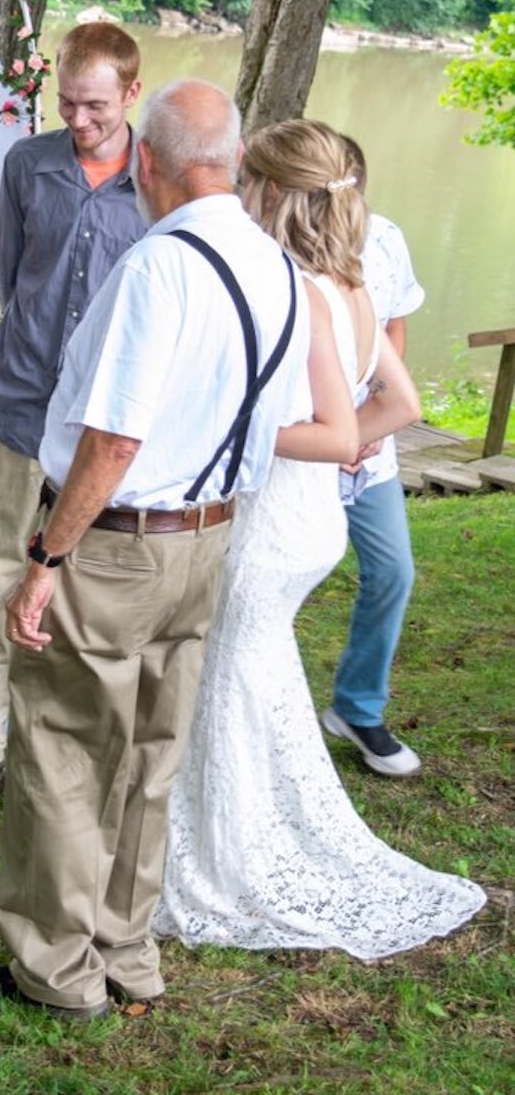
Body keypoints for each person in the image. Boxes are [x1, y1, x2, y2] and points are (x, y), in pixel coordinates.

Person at [0, 80, 314, 1020]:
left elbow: (114, 440)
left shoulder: (159, 268)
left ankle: (56, 972)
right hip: (207, 539)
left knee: (66, 750)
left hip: (119, 546)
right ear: (231, 161)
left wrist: (46, 558)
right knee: (153, 753)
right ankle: (126, 948)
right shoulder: (279, 267)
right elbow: (276, 418)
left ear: (147, 162)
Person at [153, 119, 486, 958]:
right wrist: (333, 445)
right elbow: (401, 406)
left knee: (227, 678)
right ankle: (240, 826)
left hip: (268, 526)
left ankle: (227, 859)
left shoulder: (292, 289)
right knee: (255, 673)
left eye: (246, 183)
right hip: (315, 520)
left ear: (269, 191)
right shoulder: (355, 285)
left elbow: (331, 430)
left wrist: (225, 429)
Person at [0, 23, 146, 815]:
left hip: (102, 427)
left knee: (86, 594)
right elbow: (14, 277)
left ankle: (67, 757)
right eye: (67, 103)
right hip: (20, 408)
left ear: (132, 94)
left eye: (96, 107)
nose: (78, 120)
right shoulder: (28, 164)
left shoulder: (161, 182)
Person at [320, 134, 425, 776]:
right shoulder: (281, 247)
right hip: (305, 445)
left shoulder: (386, 239)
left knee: (392, 572)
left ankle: (357, 706)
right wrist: (332, 436)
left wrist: (376, 421)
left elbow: (394, 324)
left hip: (372, 447)